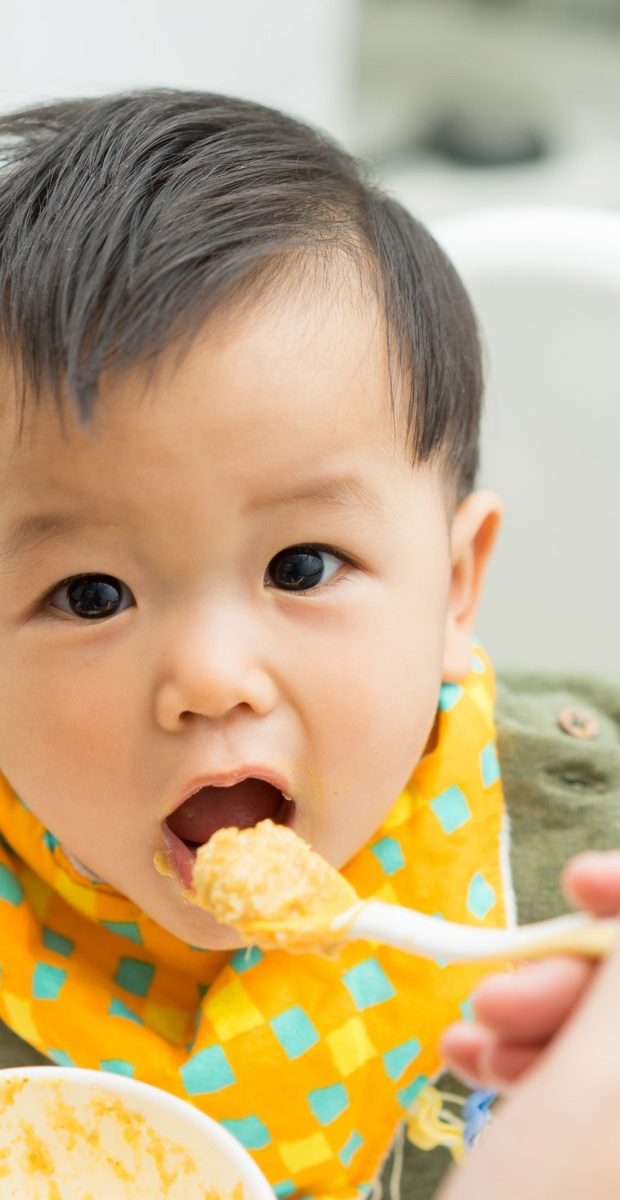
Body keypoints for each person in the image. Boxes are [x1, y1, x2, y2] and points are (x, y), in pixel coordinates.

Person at [0, 89, 616, 1200]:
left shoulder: (585, 878)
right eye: (90, 593)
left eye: (300, 569)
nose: (208, 678)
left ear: (453, 589)